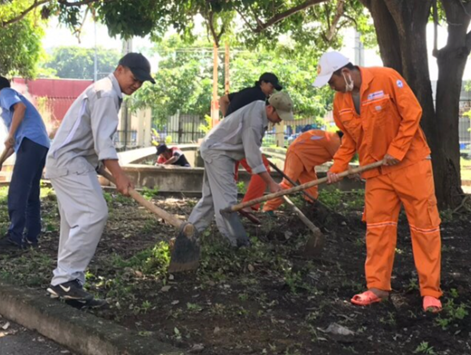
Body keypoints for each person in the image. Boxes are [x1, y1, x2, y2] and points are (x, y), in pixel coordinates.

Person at [313, 51, 443, 313]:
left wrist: (397, 150)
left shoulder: (387, 78)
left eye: (331, 81)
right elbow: (350, 138)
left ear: (345, 73)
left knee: (424, 227)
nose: (331, 87)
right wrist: (338, 167)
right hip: (376, 171)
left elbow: (413, 114)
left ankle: (430, 292)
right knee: (378, 228)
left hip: (411, 165)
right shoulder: (341, 101)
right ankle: (377, 288)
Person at [45, 53, 154, 306]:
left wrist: (99, 164)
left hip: (73, 160)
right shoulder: (106, 94)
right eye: (134, 78)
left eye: (141, 83)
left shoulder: (107, 92)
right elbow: (104, 142)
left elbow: (94, 139)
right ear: (120, 69)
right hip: (69, 160)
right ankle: (64, 280)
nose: (136, 85)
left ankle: (69, 283)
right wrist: (119, 175)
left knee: (74, 223)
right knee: (95, 213)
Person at [187, 91, 294, 246]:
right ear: (270, 108)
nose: (279, 121)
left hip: (218, 150)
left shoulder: (259, 107)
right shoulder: (255, 122)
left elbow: (252, 147)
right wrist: (271, 183)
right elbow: (252, 158)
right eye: (279, 116)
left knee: (210, 199)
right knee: (227, 202)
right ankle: (235, 244)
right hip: (218, 152)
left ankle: (188, 234)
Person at [0, 76, 51, 251]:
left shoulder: (6, 94)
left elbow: (19, 110)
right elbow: (13, 143)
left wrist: (11, 134)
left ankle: (14, 237)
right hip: (41, 144)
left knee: (18, 189)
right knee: (31, 192)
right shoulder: (13, 109)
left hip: (31, 143)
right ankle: (32, 236)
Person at [261, 129, 344, 212]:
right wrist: (354, 174)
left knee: (310, 187)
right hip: (297, 154)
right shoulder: (335, 140)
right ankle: (268, 208)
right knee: (287, 184)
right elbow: (342, 161)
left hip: (306, 160)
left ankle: (310, 207)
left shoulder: (331, 137)